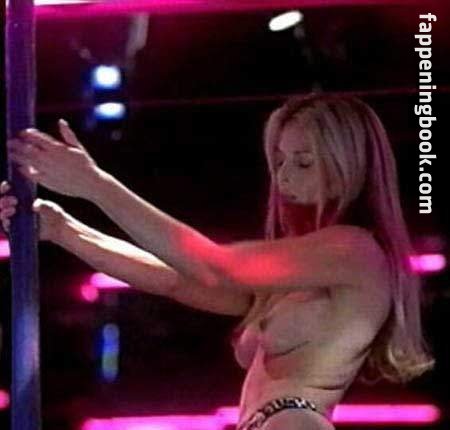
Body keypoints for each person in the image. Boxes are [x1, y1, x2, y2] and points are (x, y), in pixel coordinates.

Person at [0, 93, 435, 430]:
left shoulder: (355, 250)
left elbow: (214, 265)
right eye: (279, 161)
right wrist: (65, 230)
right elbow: (173, 279)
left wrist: (95, 185)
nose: (283, 176)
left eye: (303, 162)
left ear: (348, 164)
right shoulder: (299, 267)